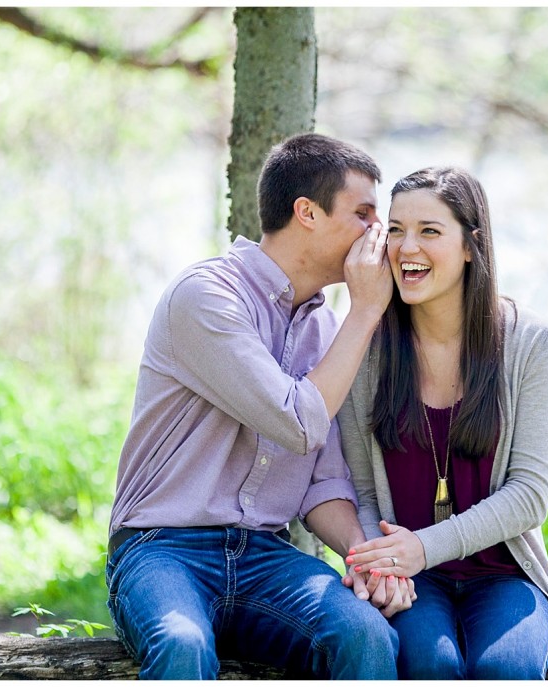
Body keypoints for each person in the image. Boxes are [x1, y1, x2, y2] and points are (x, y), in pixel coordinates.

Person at [105, 133, 412, 680]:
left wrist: (366, 560)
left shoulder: (323, 329)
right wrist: (365, 311)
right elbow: (297, 420)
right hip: (162, 549)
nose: (378, 234)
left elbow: (323, 483)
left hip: (264, 557)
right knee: (181, 645)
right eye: (364, 214)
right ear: (307, 213)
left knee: (365, 634)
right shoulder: (206, 297)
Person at [338, 166, 548, 680]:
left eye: (430, 231)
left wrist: (423, 546)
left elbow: (530, 494)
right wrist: (382, 567)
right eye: (396, 229)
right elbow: (362, 491)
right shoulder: (364, 347)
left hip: (505, 575)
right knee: (432, 665)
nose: (407, 247)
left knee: (505, 669)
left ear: (472, 247)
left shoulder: (529, 344)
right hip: (412, 581)